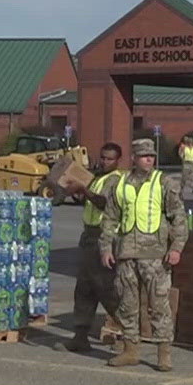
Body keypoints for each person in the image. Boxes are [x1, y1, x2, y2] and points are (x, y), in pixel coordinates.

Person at [98, 137, 187, 370]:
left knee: (159, 304)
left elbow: (178, 217)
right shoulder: (121, 184)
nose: (149, 159)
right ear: (134, 159)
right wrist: (106, 247)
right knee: (127, 303)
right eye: (144, 156)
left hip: (155, 255)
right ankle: (130, 350)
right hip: (126, 253)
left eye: (152, 156)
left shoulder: (163, 182)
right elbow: (110, 218)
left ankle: (163, 353)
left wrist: (176, 247)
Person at [66, 141, 125, 353]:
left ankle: (126, 334)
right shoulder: (97, 178)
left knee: (106, 288)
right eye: (103, 157)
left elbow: (103, 204)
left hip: (104, 237)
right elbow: (90, 202)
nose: (105, 161)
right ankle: (80, 335)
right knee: (84, 287)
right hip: (89, 236)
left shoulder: (117, 180)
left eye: (110, 158)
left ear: (118, 161)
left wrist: (84, 190)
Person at [178, 131, 193, 206]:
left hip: (192, 164)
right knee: (184, 178)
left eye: (191, 142)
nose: (190, 143)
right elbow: (180, 153)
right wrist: (182, 157)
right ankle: (181, 189)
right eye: (189, 142)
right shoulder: (184, 147)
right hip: (186, 163)